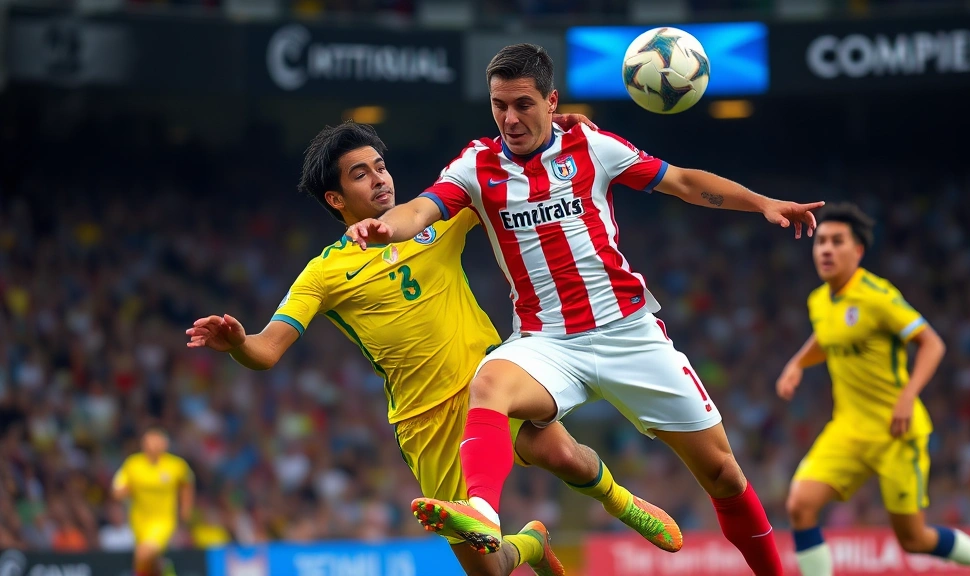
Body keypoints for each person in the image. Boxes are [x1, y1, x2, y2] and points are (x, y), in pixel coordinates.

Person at [345, 42, 823, 576]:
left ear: (551, 101)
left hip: (628, 331)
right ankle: (481, 509)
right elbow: (421, 209)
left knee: (723, 475)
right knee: (490, 383)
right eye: (499, 105)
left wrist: (763, 202)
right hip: (546, 342)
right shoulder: (476, 166)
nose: (509, 117)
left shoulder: (591, 145)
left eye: (523, 104)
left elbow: (684, 181)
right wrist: (388, 227)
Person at [186, 120, 683, 576]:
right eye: (361, 175)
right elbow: (267, 351)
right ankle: (531, 544)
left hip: (491, 381)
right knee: (488, 570)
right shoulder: (323, 274)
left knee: (563, 455)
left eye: (380, 166)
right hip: (424, 422)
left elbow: (499, 179)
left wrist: (555, 131)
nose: (380, 179)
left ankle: (622, 504)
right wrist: (237, 343)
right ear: (336, 200)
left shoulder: (437, 219)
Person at [775, 203, 970, 576]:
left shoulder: (877, 296)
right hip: (848, 429)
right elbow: (827, 335)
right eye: (820, 241)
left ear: (858, 252)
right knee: (800, 504)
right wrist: (797, 364)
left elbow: (932, 343)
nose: (826, 250)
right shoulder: (818, 300)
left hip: (895, 431)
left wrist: (908, 396)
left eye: (837, 242)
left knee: (913, 539)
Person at [112, 427, 194, 576]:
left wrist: (185, 508)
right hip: (139, 520)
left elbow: (187, 484)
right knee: (151, 562)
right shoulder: (133, 464)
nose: (153, 445)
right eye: (150, 441)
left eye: (157, 441)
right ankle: (166, 570)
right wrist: (124, 491)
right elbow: (117, 489)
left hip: (163, 520)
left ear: (165, 444)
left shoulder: (176, 465)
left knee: (142, 554)